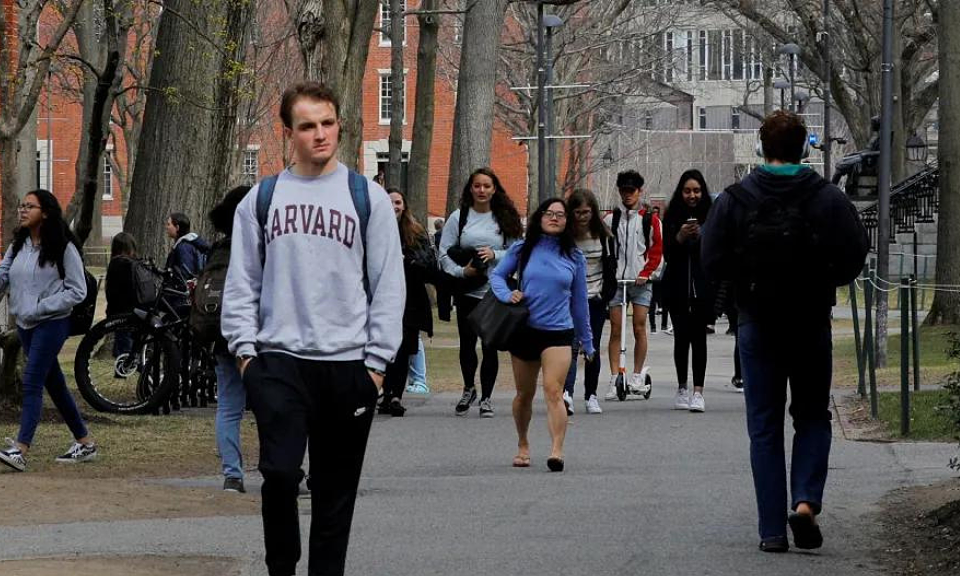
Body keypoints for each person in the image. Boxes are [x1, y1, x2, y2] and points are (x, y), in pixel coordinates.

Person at [221, 82, 404, 576]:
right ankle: (281, 566)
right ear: (289, 134)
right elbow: (241, 283)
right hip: (278, 363)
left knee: (334, 495)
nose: (320, 134)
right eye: (308, 126)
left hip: (349, 367)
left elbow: (389, 285)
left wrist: (376, 367)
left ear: (338, 124)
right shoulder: (262, 200)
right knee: (279, 474)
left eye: (327, 123)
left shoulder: (367, 198)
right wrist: (246, 357)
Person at [702, 111, 868, 553]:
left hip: (756, 320)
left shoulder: (735, 198)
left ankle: (771, 529)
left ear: (761, 147)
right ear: (806, 148)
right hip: (810, 320)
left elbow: (711, 258)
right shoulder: (827, 197)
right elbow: (854, 254)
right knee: (813, 415)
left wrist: (742, 283)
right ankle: (806, 501)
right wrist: (822, 278)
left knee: (764, 425)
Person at [490, 198, 593, 472]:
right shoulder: (523, 249)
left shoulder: (574, 257)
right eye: (549, 213)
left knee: (554, 390)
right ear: (540, 217)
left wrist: (587, 341)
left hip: (559, 332)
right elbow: (497, 276)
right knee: (524, 394)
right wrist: (506, 294)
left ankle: (556, 450)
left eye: (561, 215)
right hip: (525, 330)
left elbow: (580, 303)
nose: (555, 218)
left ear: (567, 222)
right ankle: (523, 444)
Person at [0, 189, 96, 472]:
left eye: (30, 206)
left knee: (31, 381)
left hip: (52, 323)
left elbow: (77, 291)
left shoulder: (63, 247)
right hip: (26, 324)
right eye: (22, 205)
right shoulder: (17, 245)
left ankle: (20, 449)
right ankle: (85, 441)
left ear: (46, 212)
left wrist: (42, 306)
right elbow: (4, 276)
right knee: (54, 384)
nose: (23, 210)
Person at [439, 167, 523, 418]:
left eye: (487, 186)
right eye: (477, 186)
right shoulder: (459, 217)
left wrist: (494, 254)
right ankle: (468, 389)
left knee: (490, 345)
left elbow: (519, 251)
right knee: (467, 343)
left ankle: (487, 397)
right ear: (470, 189)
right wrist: (461, 272)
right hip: (467, 291)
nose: (482, 190)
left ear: (495, 188)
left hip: (495, 291)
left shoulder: (504, 217)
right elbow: (443, 253)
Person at [205, 185, 251, 493]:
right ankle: (287, 469)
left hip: (222, 337)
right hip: (258, 339)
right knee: (276, 407)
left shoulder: (219, 248)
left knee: (229, 408)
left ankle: (232, 473)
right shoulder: (260, 245)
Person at [602, 170, 663, 401]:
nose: (628, 195)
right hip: (617, 281)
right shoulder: (610, 219)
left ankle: (637, 374)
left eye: (632, 191)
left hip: (640, 280)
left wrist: (646, 274)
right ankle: (614, 375)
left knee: (639, 326)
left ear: (639, 191)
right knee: (616, 329)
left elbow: (657, 251)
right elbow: (606, 250)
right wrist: (609, 275)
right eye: (624, 191)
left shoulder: (650, 220)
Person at [662, 169, 714, 413]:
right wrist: (680, 237)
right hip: (677, 287)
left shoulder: (712, 215)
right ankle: (682, 386)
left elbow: (716, 250)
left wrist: (702, 236)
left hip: (703, 287)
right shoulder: (671, 216)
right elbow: (667, 254)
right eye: (687, 191)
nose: (692, 195)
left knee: (699, 338)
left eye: (696, 190)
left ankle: (698, 391)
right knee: (681, 339)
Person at [381, 187, 437, 416]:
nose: (394, 207)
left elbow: (428, 264)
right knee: (386, 348)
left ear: (404, 206)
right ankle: (385, 394)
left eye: (397, 202)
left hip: (410, 299)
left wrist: (409, 260)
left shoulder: (415, 232)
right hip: (382, 298)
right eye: (389, 202)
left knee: (404, 349)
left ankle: (395, 396)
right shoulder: (373, 229)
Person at [562, 189, 615, 415]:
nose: (582, 217)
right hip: (570, 300)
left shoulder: (605, 237)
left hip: (595, 298)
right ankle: (567, 393)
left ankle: (591, 394)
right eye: (578, 212)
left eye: (586, 212)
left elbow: (611, 268)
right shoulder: (565, 238)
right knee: (571, 347)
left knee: (591, 347)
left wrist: (606, 296)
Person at [105, 232, 139, 358]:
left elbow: (111, 291)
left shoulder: (115, 264)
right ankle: (124, 362)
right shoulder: (134, 263)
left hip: (119, 310)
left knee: (123, 339)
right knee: (126, 340)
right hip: (133, 309)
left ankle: (122, 361)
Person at [164, 212, 209, 281]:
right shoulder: (182, 245)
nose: (166, 227)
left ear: (177, 227)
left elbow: (186, 275)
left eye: (169, 224)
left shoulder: (183, 247)